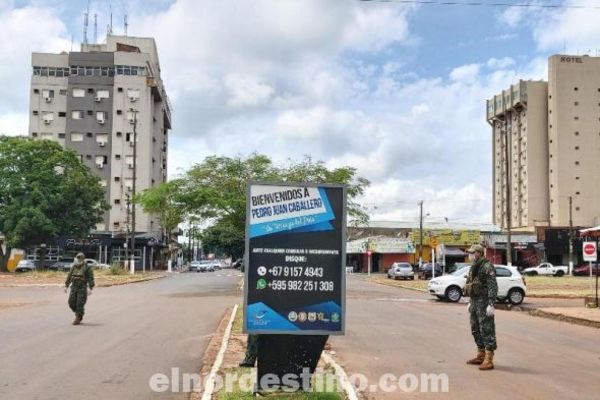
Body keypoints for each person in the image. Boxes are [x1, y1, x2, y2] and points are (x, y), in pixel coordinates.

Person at [464, 244, 497, 371]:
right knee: (475, 328)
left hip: (484, 302)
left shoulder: (487, 266)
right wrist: (469, 301)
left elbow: (492, 286)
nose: (471, 255)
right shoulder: (474, 267)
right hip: (474, 301)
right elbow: (470, 283)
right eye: (470, 253)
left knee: (486, 329)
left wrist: (491, 304)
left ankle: (489, 359)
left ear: (479, 253)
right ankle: (480, 354)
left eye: (473, 253)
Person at [64, 253, 95, 325]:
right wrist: (66, 285)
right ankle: (80, 313)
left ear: (83, 260)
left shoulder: (87, 267)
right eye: (77, 259)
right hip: (74, 286)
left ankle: (78, 317)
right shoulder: (74, 266)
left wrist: (90, 287)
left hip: (82, 287)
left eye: (79, 259)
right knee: (71, 302)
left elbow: (91, 278)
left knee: (79, 303)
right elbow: (69, 276)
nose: (78, 261)